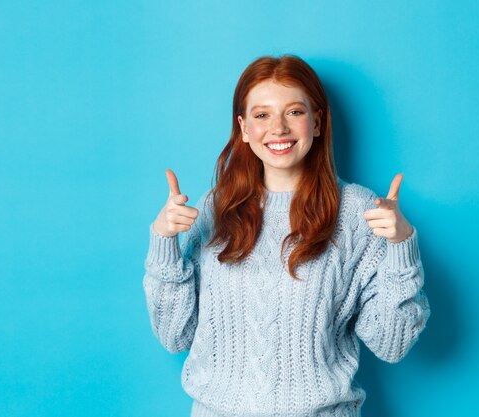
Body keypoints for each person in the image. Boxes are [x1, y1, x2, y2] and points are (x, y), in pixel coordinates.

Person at [143, 55, 431, 417]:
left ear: (317, 122)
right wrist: (164, 241)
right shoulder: (217, 208)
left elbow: (393, 343)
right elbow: (174, 335)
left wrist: (401, 247)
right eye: (262, 115)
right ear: (244, 128)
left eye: (294, 111)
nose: (278, 128)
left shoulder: (358, 212)